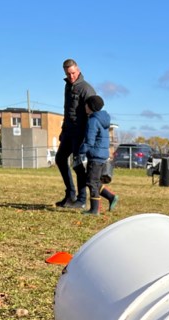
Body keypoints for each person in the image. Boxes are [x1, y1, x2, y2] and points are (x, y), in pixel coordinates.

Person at [54, 59, 96, 208]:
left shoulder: (86, 88)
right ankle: (70, 194)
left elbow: (93, 113)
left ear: (78, 70)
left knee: (78, 165)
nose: (71, 76)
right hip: (68, 131)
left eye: (73, 73)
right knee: (60, 159)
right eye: (68, 74)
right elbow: (68, 111)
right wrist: (63, 130)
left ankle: (82, 199)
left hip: (80, 133)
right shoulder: (68, 86)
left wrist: (88, 136)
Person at [79, 95, 119, 215]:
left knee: (91, 182)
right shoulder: (103, 119)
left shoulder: (93, 120)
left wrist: (80, 151)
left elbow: (89, 141)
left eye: (86, 105)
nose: (85, 106)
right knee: (94, 181)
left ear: (90, 106)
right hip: (102, 155)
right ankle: (111, 197)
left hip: (95, 156)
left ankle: (95, 209)